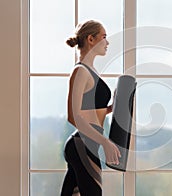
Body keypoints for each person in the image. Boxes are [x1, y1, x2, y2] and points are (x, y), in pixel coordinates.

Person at [61, 20, 121, 196]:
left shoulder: (91, 70)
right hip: (82, 146)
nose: (107, 42)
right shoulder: (80, 72)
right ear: (91, 39)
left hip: (86, 145)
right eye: (104, 37)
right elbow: (74, 116)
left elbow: (91, 112)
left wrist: (112, 107)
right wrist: (105, 142)